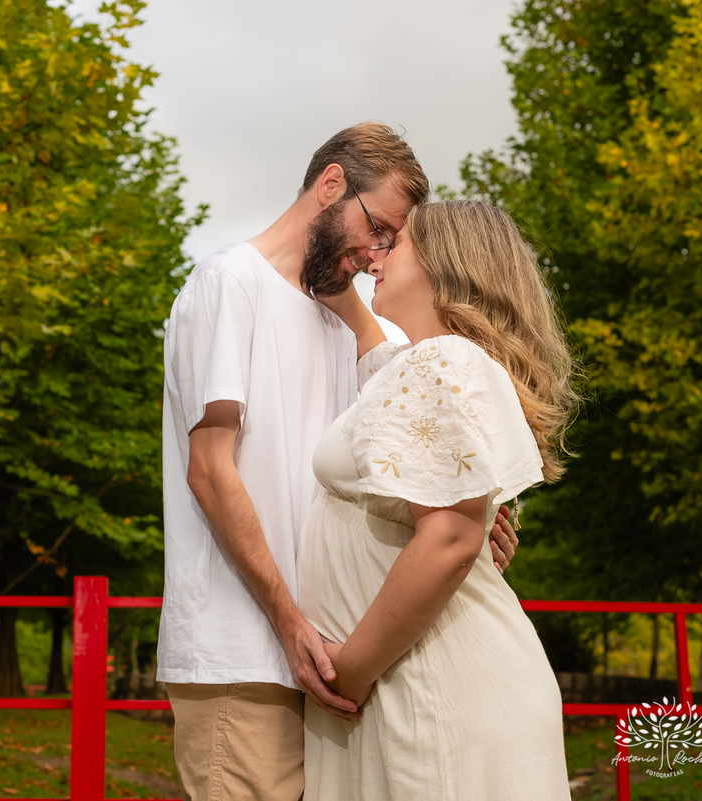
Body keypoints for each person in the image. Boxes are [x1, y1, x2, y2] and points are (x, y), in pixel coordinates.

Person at [157, 123, 519, 801]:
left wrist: (476, 528)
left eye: (391, 239)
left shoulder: (345, 323)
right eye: (375, 225)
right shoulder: (228, 282)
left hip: (330, 668)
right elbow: (209, 470)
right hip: (247, 658)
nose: (377, 250)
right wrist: (290, 622)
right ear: (330, 184)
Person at [298, 199, 577, 800]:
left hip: (425, 690)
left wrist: (348, 671)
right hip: (411, 682)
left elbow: (451, 538)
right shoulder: (425, 366)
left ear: (445, 266)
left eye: (395, 244)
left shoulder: (441, 362)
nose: (377, 254)